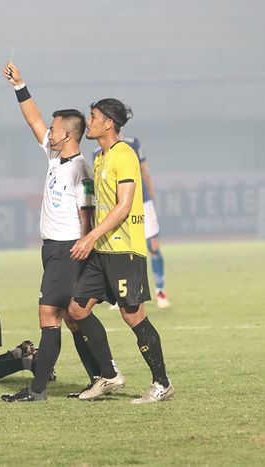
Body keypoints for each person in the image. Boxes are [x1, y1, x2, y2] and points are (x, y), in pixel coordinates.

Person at [0, 62, 112, 403]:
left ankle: (37, 390)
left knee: (49, 316)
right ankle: (101, 376)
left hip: (67, 250)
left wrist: (85, 243)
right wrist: (20, 85)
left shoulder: (82, 170)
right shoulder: (53, 157)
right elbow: (32, 118)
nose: (48, 131)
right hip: (51, 249)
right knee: (72, 321)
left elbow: (87, 213)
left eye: (54, 128)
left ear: (68, 134)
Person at [67, 99, 175, 404]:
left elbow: (124, 206)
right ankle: (109, 374)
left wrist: (89, 237)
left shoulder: (124, 154)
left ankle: (162, 383)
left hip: (124, 252)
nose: (89, 121)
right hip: (102, 252)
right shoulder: (101, 157)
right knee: (75, 310)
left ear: (109, 123)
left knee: (133, 317)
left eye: (93, 116)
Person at [93, 135, 170, 309]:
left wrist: (151, 197)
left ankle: (160, 290)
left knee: (154, 246)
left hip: (142, 202)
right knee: (117, 249)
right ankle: (117, 293)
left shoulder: (133, 143)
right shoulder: (97, 152)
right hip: (116, 206)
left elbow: (144, 170)